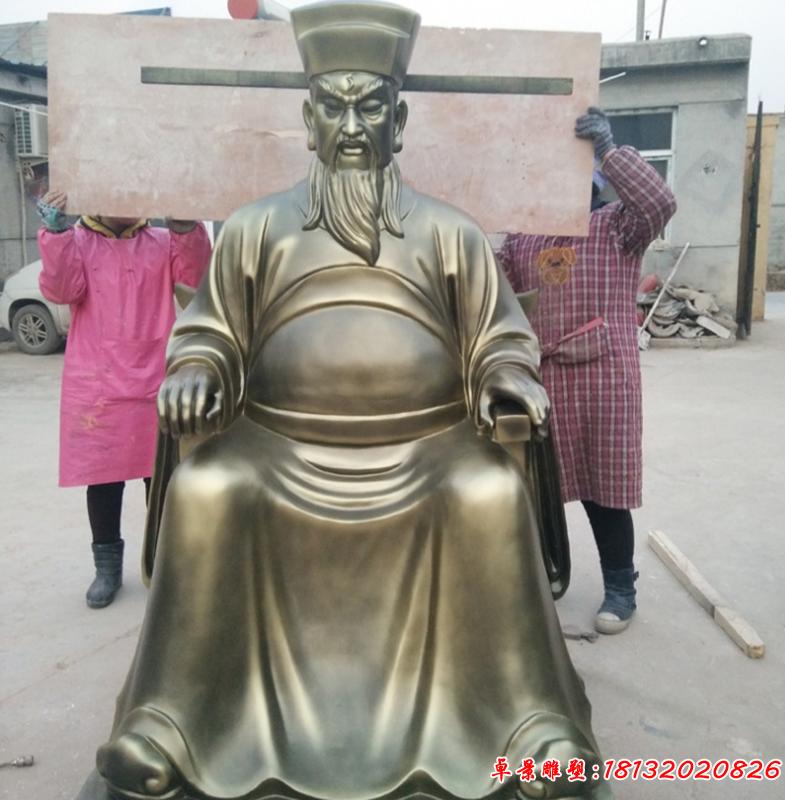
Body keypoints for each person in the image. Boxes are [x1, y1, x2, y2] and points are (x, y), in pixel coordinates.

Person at [84, 4, 612, 800]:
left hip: (430, 445)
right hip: (277, 443)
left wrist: (507, 374)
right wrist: (197, 369)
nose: (355, 126)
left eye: (373, 108)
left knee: (488, 491)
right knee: (208, 487)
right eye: (336, 106)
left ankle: (524, 724)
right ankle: (176, 721)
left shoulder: (451, 233)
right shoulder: (256, 229)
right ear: (310, 121)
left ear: (399, 122)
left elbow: (499, 336)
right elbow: (212, 332)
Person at [497, 108, 677, 635]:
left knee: (605, 490)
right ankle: (538, 583)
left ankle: (621, 588)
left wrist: (609, 151)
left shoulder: (618, 226)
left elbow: (660, 203)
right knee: (536, 492)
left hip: (605, 379)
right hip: (544, 376)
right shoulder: (522, 240)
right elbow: (497, 294)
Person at [37, 190, 211, 609]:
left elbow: (195, 280)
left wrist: (186, 227)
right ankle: (107, 569)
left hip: (156, 377)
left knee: (162, 479)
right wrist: (56, 235)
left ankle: (166, 564)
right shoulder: (77, 242)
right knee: (104, 480)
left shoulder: (162, 242)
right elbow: (62, 289)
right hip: (98, 385)